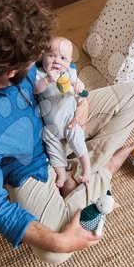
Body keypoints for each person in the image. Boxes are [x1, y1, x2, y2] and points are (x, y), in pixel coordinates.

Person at [0, 0, 134, 264]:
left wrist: (82, 102)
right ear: (10, 74)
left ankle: (79, 175)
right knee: (54, 252)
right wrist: (59, 241)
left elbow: (61, 64)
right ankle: (104, 170)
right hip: (25, 165)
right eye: (32, 63)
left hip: (55, 115)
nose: (39, 61)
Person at [35, 36, 91, 188]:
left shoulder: (69, 74)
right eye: (51, 55)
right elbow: (35, 89)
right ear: (43, 56)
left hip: (68, 120)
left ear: (70, 61)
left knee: (77, 136)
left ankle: (86, 168)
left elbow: (79, 86)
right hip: (51, 125)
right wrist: (47, 80)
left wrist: (80, 86)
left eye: (63, 58)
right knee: (50, 143)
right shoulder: (40, 74)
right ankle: (62, 173)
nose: (57, 61)